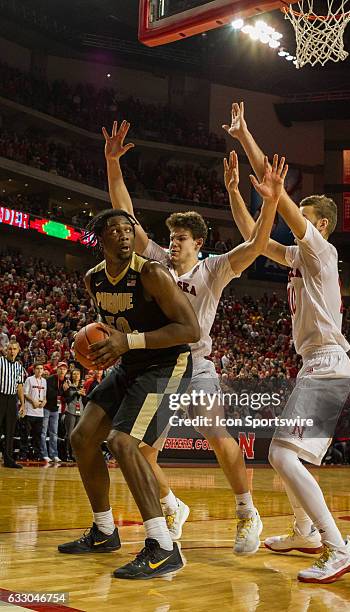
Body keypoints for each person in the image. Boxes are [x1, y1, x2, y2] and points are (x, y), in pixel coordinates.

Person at [104, 120, 286, 554]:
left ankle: (246, 512)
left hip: (196, 363)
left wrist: (272, 202)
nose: (172, 245)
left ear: (199, 244)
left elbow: (259, 243)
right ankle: (172, 504)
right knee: (142, 450)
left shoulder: (215, 268)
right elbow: (125, 216)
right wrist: (113, 165)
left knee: (214, 430)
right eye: (170, 238)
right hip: (161, 365)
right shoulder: (158, 264)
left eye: (180, 239)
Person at [222, 101, 350, 583]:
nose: (291, 219)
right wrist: (237, 193)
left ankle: (338, 545)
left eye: (300, 217)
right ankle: (304, 530)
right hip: (315, 364)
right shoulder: (302, 258)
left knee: (281, 454)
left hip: (326, 363)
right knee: (287, 452)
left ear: (318, 225)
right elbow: (255, 239)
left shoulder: (321, 250)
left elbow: (277, 193)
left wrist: (247, 139)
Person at [58, 208, 200, 580]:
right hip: (129, 365)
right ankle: (104, 531)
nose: (123, 235)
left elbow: (191, 329)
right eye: (115, 230)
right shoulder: (94, 280)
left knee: (123, 443)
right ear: (100, 239)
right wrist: (101, 350)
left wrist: (127, 342)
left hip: (168, 364)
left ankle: (164, 546)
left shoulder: (151, 273)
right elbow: (110, 330)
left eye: (129, 228)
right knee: (82, 436)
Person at [0, 342, 25, 468]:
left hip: (12, 399)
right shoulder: (0, 362)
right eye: (10, 349)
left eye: (14, 349)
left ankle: (8, 460)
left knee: (10, 430)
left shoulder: (18, 367)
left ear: (18, 350)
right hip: (1, 396)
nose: (12, 351)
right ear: (6, 350)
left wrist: (22, 404)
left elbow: (20, 386)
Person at [41, 361, 68, 462]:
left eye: (64, 369)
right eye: (60, 368)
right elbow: (50, 394)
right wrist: (62, 391)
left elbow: (66, 398)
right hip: (46, 408)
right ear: (57, 369)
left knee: (54, 433)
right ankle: (44, 454)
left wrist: (67, 391)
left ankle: (54, 454)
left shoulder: (66, 381)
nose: (62, 370)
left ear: (66, 371)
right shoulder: (51, 379)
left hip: (56, 410)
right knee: (43, 432)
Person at [23, 363, 47, 460]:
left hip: (40, 413)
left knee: (37, 435)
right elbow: (25, 393)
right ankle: (23, 454)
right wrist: (33, 401)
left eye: (41, 368)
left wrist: (44, 402)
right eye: (37, 368)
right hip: (29, 411)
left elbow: (45, 395)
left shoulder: (44, 381)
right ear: (34, 370)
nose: (39, 370)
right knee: (25, 434)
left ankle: (36, 454)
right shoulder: (29, 379)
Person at [63, 368, 85, 461]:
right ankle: (67, 454)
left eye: (78, 374)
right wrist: (76, 393)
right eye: (74, 374)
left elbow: (84, 400)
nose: (76, 376)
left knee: (77, 435)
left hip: (80, 411)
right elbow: (67, 399)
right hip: (70, 411)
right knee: (70, 434)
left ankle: (75, 454)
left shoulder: (82, 385)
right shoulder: (68, 385)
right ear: (72, 376)